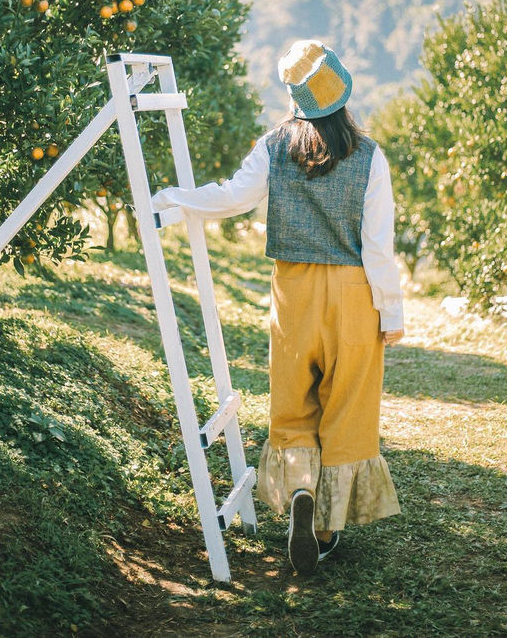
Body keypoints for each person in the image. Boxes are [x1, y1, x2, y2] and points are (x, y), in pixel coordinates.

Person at [151, 39, 404, 575]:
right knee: (347, 408)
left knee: (293, 406)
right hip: (355, 293)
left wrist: (176, 196)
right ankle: (326, 526)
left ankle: (300, 489)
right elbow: (378, 244)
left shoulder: (273, 147)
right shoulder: (370, 156)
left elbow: (233, 198)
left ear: (295, 98)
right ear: (341, 89)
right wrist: (392, 314)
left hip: (293, 292)